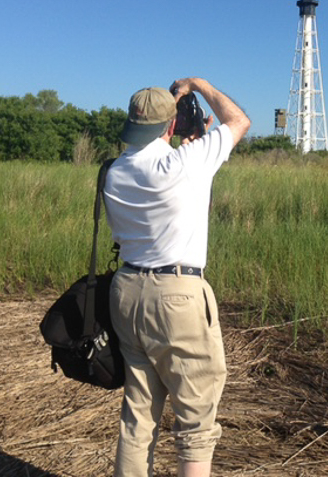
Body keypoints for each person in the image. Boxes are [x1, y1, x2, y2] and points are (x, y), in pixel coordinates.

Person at [103, 77, 250, 477]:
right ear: (170, 127)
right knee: (196, 419)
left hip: (127, 292)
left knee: (138, 416)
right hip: (177, 297)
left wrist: (190, 142)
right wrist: (199, 85)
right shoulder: (185, 163)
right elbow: (239, 121)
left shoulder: (112, 173)